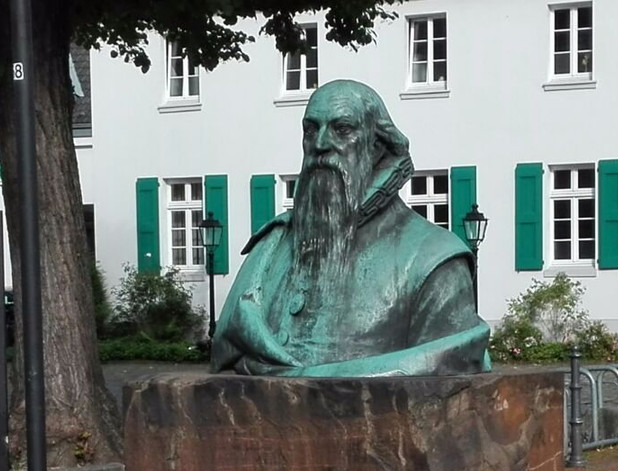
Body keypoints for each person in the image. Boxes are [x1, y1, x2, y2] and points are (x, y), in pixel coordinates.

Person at [210, 79, 491, 377]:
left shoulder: (435, 260)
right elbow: (225, 351)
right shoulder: (271, 246)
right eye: (311, 129)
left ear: (376, 145)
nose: (320, 144)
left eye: (342, 129)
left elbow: (441, 385)